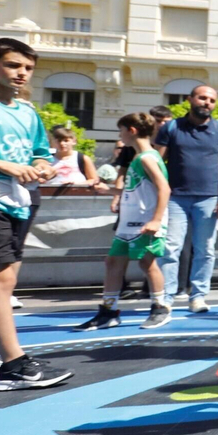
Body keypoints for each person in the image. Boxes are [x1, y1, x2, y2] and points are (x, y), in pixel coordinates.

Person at [0, 38, 71, 390]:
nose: (21, 73)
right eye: (12, 65)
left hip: (17, 199)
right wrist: (4, 166)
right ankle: (14, 363)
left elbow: (41, 153)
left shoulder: (28, 112)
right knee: (0, 280)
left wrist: (43, 167)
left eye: (27, 68)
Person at [73, 113, 172, 331]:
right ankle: (109, 311)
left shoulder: (147, 157)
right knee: (113, 262)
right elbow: (136, 190)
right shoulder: (140, 157)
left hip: (145, 221)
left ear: (131, 130)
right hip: (130, 221)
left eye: (121, 131)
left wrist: (156, 220)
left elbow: (164, 188)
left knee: (147, 262)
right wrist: (108, 189)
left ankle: (160, 307)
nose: (120, 136)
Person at [154, 85, 218, 313]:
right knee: (170, 249)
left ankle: (197, 296)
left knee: (205, 249)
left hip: (208, 199)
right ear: (190, 99)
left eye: (211, 99)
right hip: (175, 198)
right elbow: (156, 164)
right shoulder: (171, 127)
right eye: (202, 98)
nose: (207, 102)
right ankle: (166, 298)